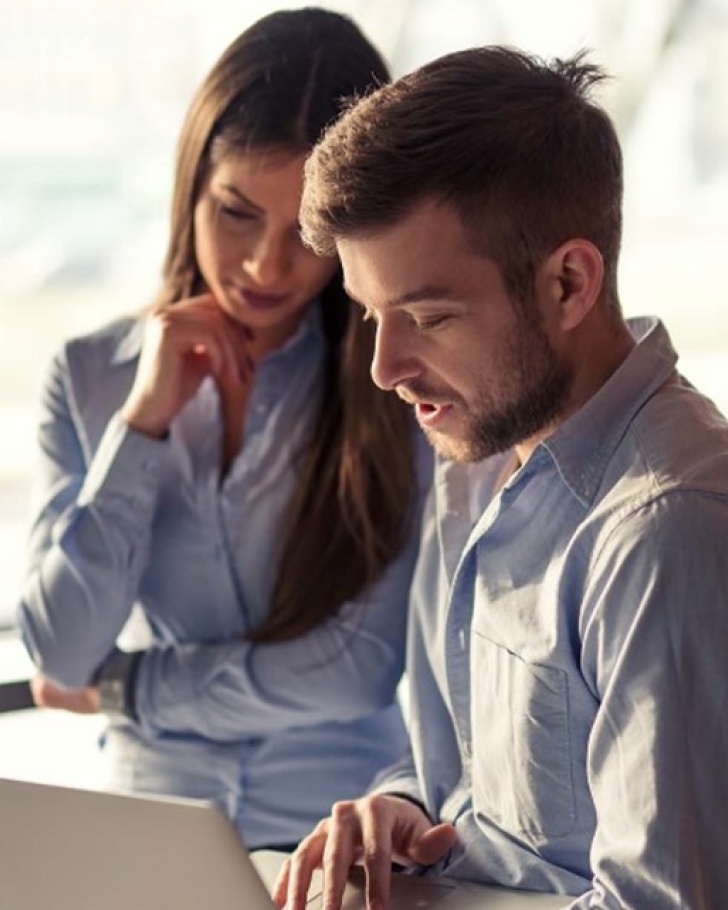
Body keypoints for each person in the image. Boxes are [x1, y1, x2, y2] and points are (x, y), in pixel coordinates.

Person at [273, 45, 728, 908]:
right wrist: (399, 807)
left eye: (428, 316)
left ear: (568, 283)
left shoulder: (668, 530)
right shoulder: (473, 459)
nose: (384, 368)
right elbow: (459, 779)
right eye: (373, 315)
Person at [17, 8, 428, 851]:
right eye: (237, 213)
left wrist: (129, 688)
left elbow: (355, 672)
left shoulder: (400, 388)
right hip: (144, 837)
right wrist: (144, 424)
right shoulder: (91, 378)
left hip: (339, 849)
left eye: (307, 232)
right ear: (191, 186)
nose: (267, 267)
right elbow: (60, 652)